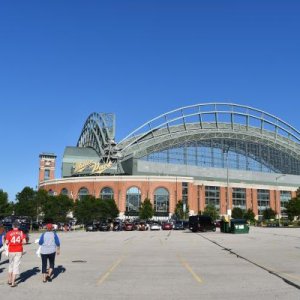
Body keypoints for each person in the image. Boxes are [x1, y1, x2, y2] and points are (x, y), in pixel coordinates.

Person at [5, 221, 27, 287]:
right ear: (18, 226)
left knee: (10, 265)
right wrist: (19, 243)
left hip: (11, 250)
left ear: (12, 226)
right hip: (18, 250)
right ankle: (13, 283)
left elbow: (6, 242)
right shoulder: (21, 232)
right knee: (16, 266)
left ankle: (9, 280)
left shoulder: (9, 233)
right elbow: (25, 242)